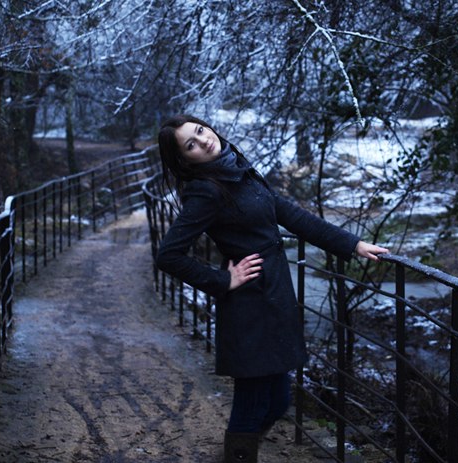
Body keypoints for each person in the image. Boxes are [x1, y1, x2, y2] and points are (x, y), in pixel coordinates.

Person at [155, 114, 389, 463]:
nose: (203, 141)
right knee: (252, 402)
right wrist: (224, 280)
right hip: (249, 308)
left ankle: (238, 452)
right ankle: (238, 455)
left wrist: (353, 244)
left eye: (200, 131)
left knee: (278, 401)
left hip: (274, 298)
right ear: (185, 159)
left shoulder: (238, 169)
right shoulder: (206, 191)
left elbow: (291, 215)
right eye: (191, 144)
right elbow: (168, 255)